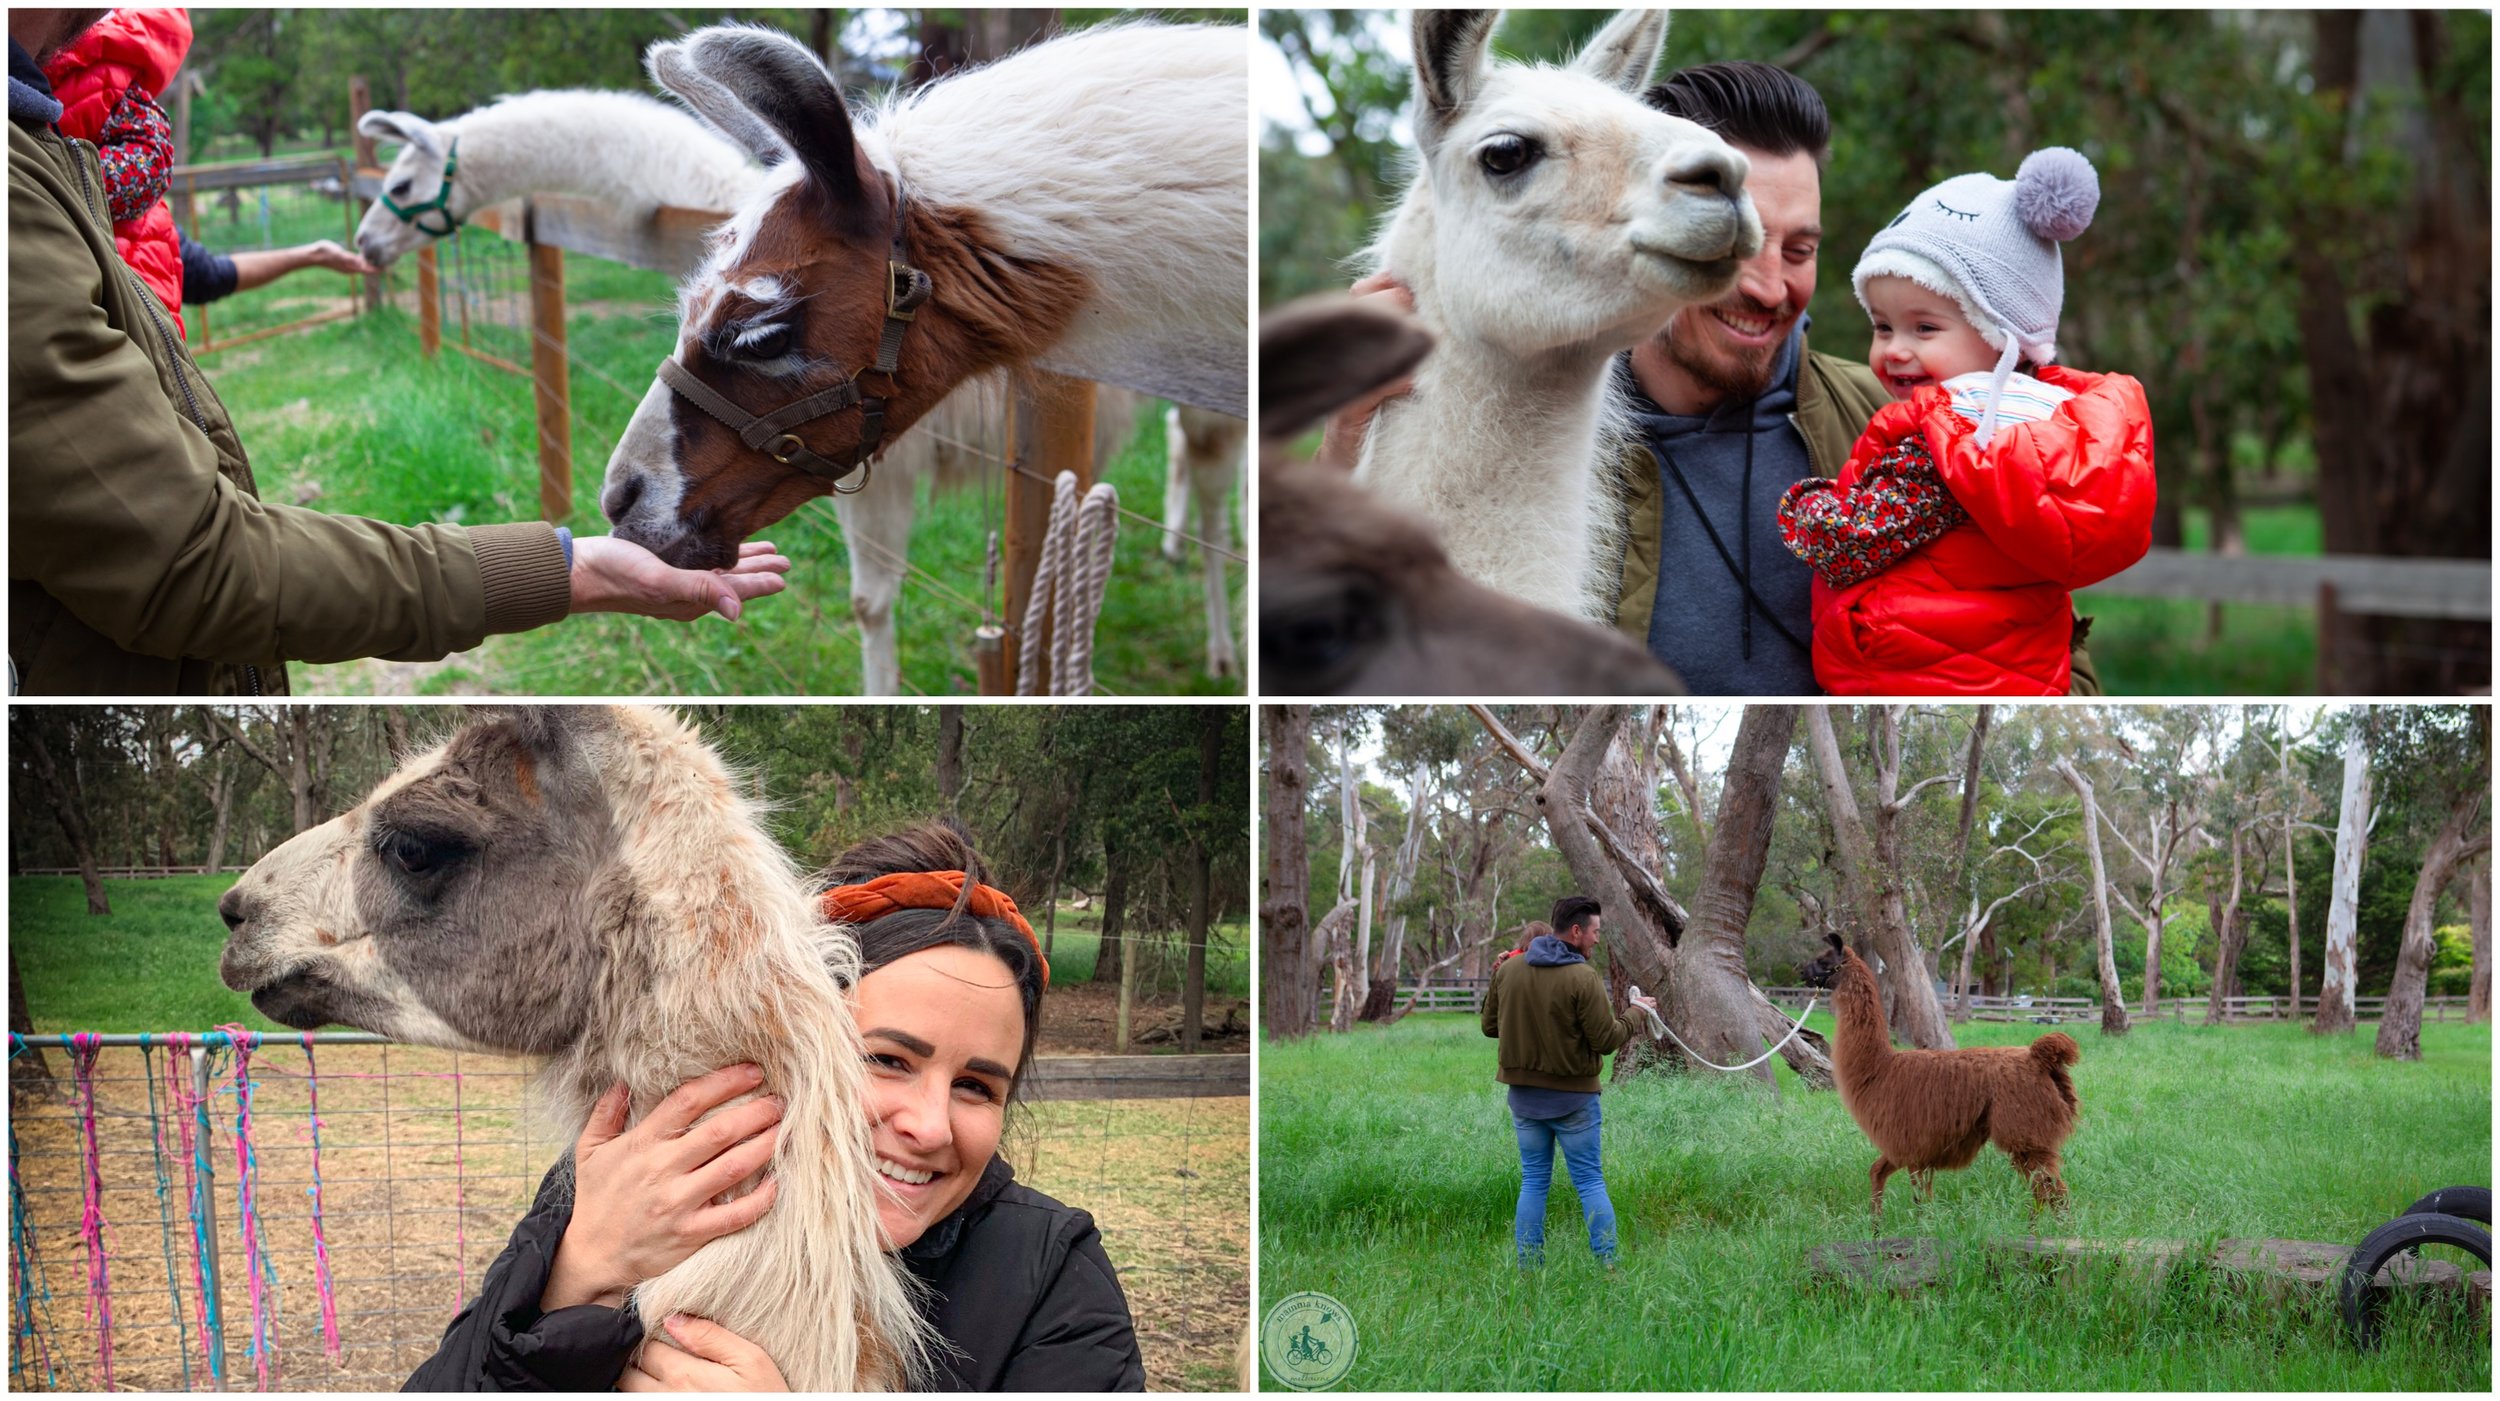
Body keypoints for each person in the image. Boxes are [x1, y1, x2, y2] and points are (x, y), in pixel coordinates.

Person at [10, 8, 788, 696]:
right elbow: (194, 561)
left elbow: (198, 275)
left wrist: (570, 566)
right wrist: (570, 569)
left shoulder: (53, 159)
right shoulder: (30, 189)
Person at [405, 821, 1146, 1392]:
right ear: (789, 1042)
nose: (928, 1125)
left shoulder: (1051, 1277)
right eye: (886, 1060)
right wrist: (577, 1271)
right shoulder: (629, 1185)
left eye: (977, 1086)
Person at [1777, 149, 2155, 695]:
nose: (1895, 350)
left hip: (1916, 675)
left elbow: (1853, 542)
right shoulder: (2046, 423)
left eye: (1924, 329)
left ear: (2003, 337)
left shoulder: (1948, 443)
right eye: (1882, 327)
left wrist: (1806, 507)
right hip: (2018, 675)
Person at [1479, 895, 1655, 1268]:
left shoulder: (1508, 971)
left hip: (1524, 1101)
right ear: (1576, 931)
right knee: (1590, 1182)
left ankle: (1529, 1268)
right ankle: (1607, 1265)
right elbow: (1606, 1040)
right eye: (1595, 932)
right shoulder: (1583, 977)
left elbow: (1490, 1026)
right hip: (1574, 1101)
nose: (1597, 939)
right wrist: (1637, 1013)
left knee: (1533, 1182)